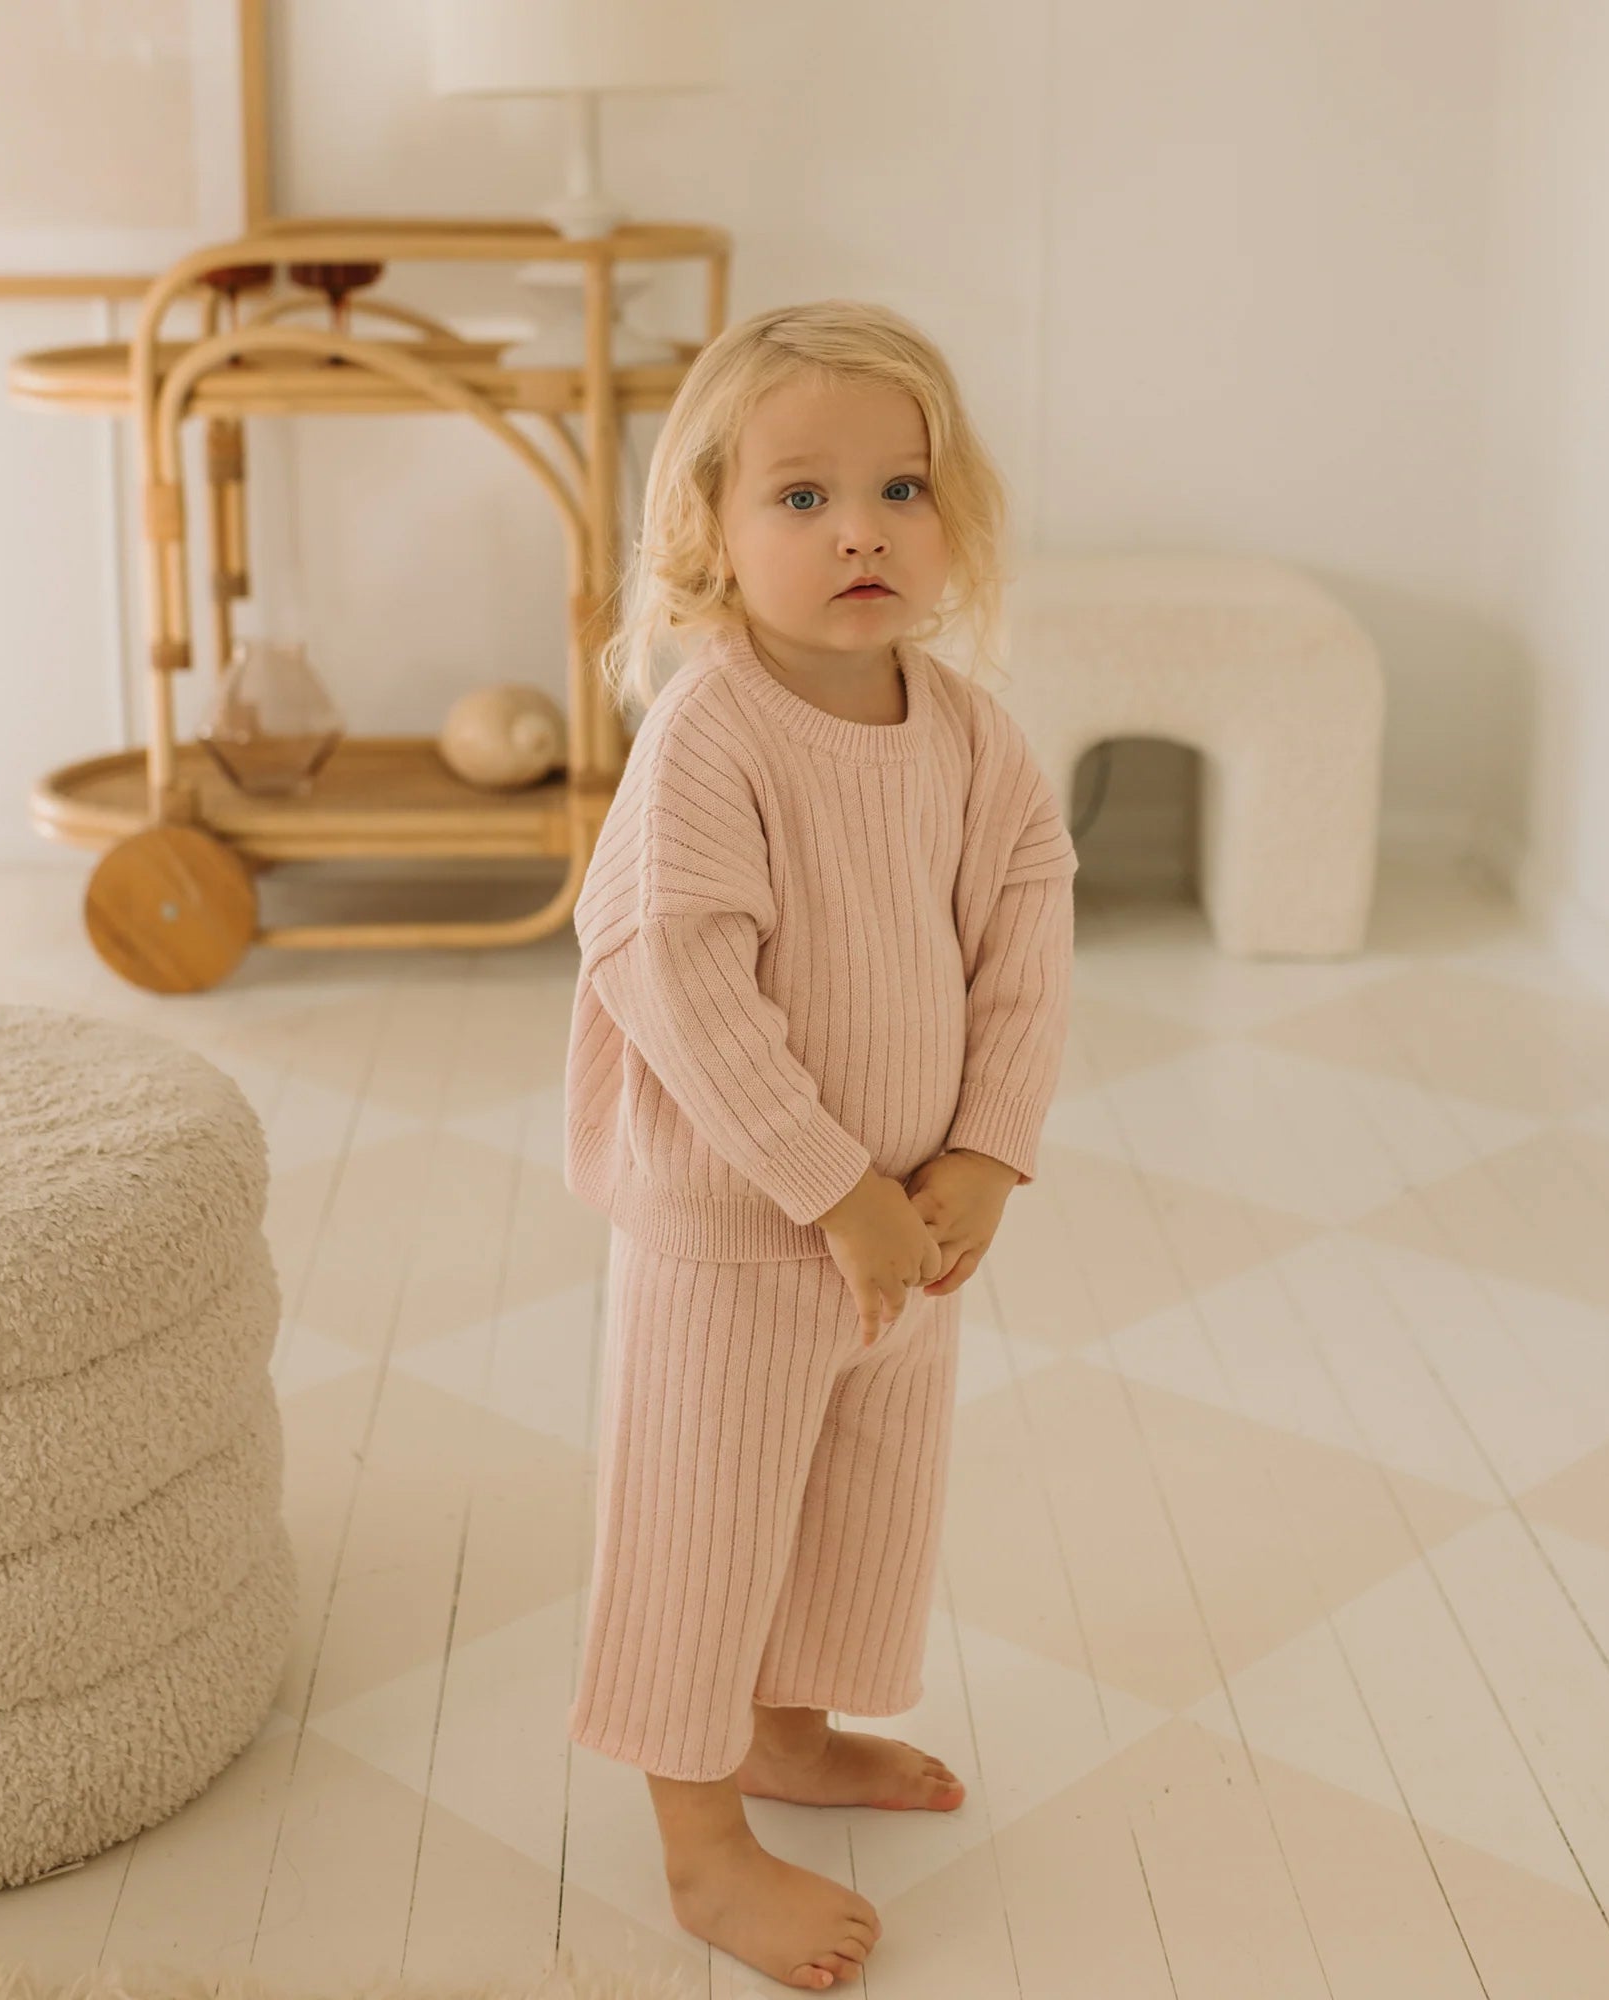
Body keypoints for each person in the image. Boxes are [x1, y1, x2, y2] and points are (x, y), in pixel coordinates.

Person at [560, 298, 1078, 1990]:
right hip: (746, 1228)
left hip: (915, 1223)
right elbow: (674, 975)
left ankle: (790, 1732)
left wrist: (984, 1151)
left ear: (950, 518)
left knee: (858, 1499)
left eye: (900, 490)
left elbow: (1026, 946)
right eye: (799, 497)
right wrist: (829, 1187)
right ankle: (704, 1849)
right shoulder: (713, 735)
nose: (860, 527)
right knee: (706, 1530)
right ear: (709, 533)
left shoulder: (975, 739)